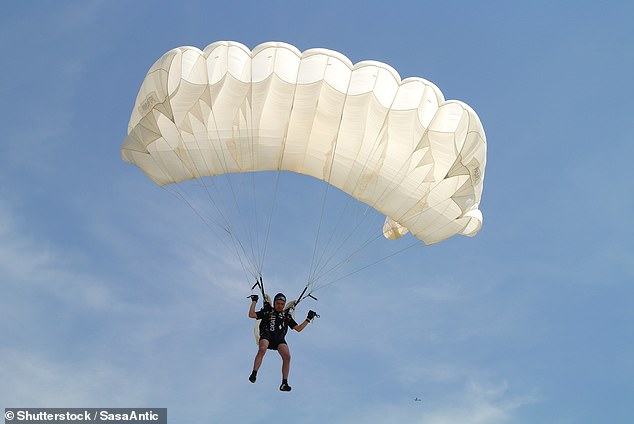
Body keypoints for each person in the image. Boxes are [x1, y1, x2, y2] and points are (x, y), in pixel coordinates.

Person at [248, 292, 317, 391]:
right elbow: (251, 315)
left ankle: (284, 383)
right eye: (278, 303)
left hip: (279, 339)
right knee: (262, 349)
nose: (280, 306)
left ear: (284, 305)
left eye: (282, 304)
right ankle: (254, 373)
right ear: (274, 303)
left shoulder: (286, 316)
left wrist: (308, 319)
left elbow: (298, 329)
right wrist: (254, 301)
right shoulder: (267, 311)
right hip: (267, 335)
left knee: (287, 357)